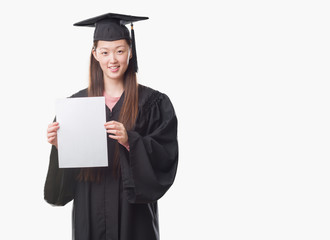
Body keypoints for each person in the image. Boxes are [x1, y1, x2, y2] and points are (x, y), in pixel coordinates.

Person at [44, 13, 178, 240]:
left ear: (130, 52)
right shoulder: (76, 105)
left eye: (120, 50)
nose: (112, 60)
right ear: (95, 54)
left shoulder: (154, 103)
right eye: (105, 52)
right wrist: (60, 147)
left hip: (134, 218)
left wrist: (130, 141)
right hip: (90, 215)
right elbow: (64, 187)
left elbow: (166, 157)